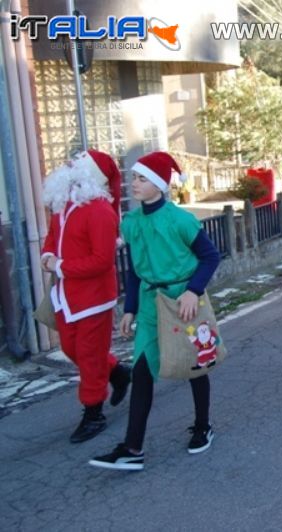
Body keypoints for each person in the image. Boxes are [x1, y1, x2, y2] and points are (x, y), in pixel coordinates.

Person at [89, 151, 221, 471]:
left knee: (193, 364)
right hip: (149, 302)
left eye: (142, 178)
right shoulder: (132, 222)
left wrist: (193, 290)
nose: (134, 183)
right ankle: (133, 448)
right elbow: (135, 270)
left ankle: (203, 426)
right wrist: (130, 309)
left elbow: (210, 256)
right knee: (143, 371)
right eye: (133, 177)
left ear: (160, 185)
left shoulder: (179, 220)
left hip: (182, 301)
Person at [40, 150, 131, 443]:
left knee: (90, 356)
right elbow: (53, 237)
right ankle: (117, 372)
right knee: (71, 348)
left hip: (94, 298)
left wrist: (61, 267)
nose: (67, 167)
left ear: (91, 176)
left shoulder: (100, 212)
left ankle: (93, 414)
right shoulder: (64, 206)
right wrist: (48, 255)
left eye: (75, 165)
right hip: (67, 295)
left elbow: (102, 261)